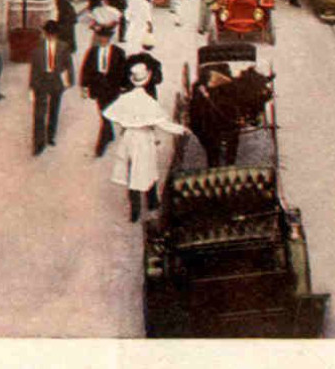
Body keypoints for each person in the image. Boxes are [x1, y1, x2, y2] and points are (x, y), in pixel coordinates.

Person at [104, 61, 186, 223]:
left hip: (129, 138)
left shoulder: (125, 99)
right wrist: (181, 129)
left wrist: (127, 124)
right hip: (144, 138)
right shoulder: (149, 102)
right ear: (147, 80)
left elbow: (111, 115)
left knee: (132, 172)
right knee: (148, 169)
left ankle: (135, 212)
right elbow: (162, 124)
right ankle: (152, 202)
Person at [79, 26, 127, 157]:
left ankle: (101, 144)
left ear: (110, 38)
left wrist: (124, 87)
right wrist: (84, 86)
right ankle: (108, 134)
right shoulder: (92, 51)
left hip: (112, 88)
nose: (103, 40)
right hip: (98, 88)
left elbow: (123, 71)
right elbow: (86, 69)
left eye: (106, 37)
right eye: (101, 37)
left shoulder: (118, 52)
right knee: (104, 114)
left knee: (106, 114)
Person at [29, 20, 75, 155]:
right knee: (39, 114)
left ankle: (50, 135)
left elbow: (69, 65)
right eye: (48, 34)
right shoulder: (37, 47)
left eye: (52, 34)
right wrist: (31, 87)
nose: (50, 37)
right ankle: (38, 143)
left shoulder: (63, 47)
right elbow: (34, 68)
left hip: (56, 82)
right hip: (41, 82)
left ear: (56, 34)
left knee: (54, 110)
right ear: (45, 33)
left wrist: (69, 81)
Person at [189, 67, 240, 168]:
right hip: (209, 120)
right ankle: (220, 162)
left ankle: (224, 162)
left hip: (219, 119)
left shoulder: (228, 86)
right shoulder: (199, 87)